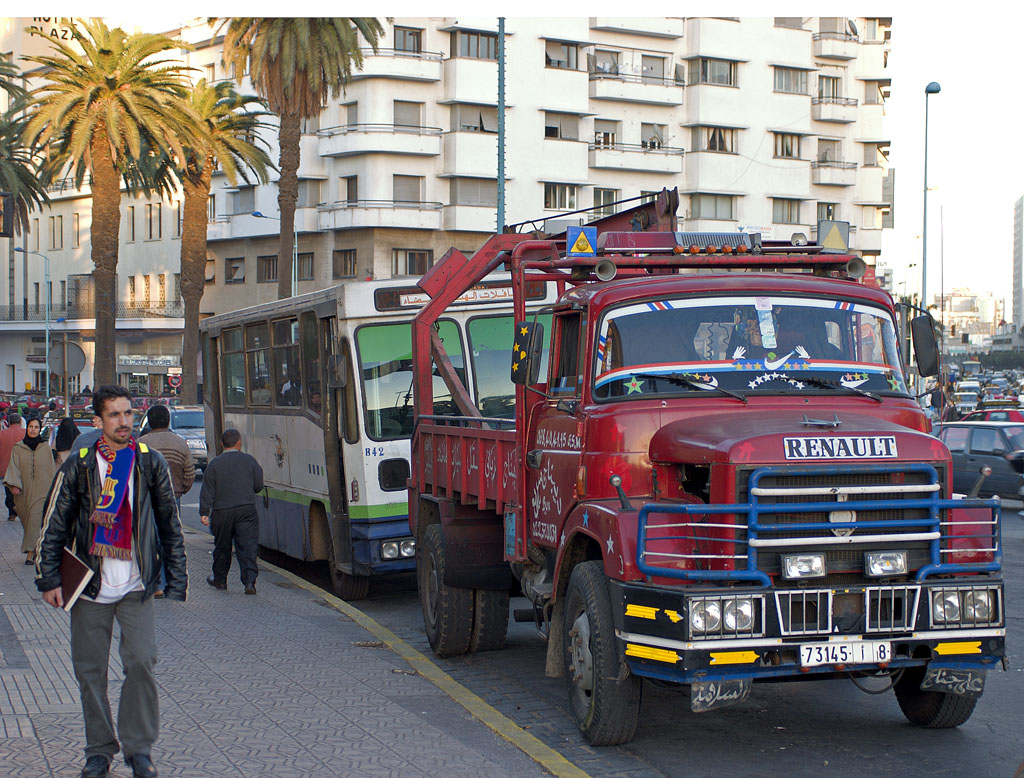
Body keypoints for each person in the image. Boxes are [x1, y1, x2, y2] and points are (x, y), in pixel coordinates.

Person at [35, 385, 187, 778]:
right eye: (115, 415)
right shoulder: (81, 464)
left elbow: (170, 521)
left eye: (128, 414)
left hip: (136, 587)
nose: (124, 422)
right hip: (90, 587)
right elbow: (54, 524)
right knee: (90, 673)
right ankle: (99, 751)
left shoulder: (147, 461)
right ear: (98, 421)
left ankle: (139, 750)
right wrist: (49, 577)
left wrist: (176, 576)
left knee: (141, 663)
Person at [200, 428, 264, 595]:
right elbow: (258, 486)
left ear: (222, 444)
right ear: (239, 444)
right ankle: (249, 582)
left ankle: (220, 580)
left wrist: (204, 512)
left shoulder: (214, 464)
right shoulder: (250, 461)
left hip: (222, 512)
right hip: (246, 510)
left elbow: (207, 491)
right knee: (247, 546)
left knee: (222, 547)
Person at [141, 405, 195, 597]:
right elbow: (190, 472)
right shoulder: (180, 443)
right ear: (167, 421)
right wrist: (182, 489)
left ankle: (156, 583)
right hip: (173, 498)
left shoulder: (140, 444)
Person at [5, 417, 56, 565]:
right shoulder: (18, 448)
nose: (33, 429)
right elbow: (13, 467)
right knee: (29, 522)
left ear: (39, 429)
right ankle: (37, 548)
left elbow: (51, 468)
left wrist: (53, 488)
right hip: (23, 492)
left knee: (35, 518)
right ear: (27, 428)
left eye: (35, 427)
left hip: (42, 490)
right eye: (30, 427)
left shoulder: (45, 448)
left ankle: (30, 553)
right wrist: (14, 484)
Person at [0, 412, 26, 521]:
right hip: (24, 467)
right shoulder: (27, 433)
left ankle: (12, 514)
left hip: (6, 467)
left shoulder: (2, 434)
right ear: (20, 421)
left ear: (9, 422)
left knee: (9, 491)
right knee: (24, 490)